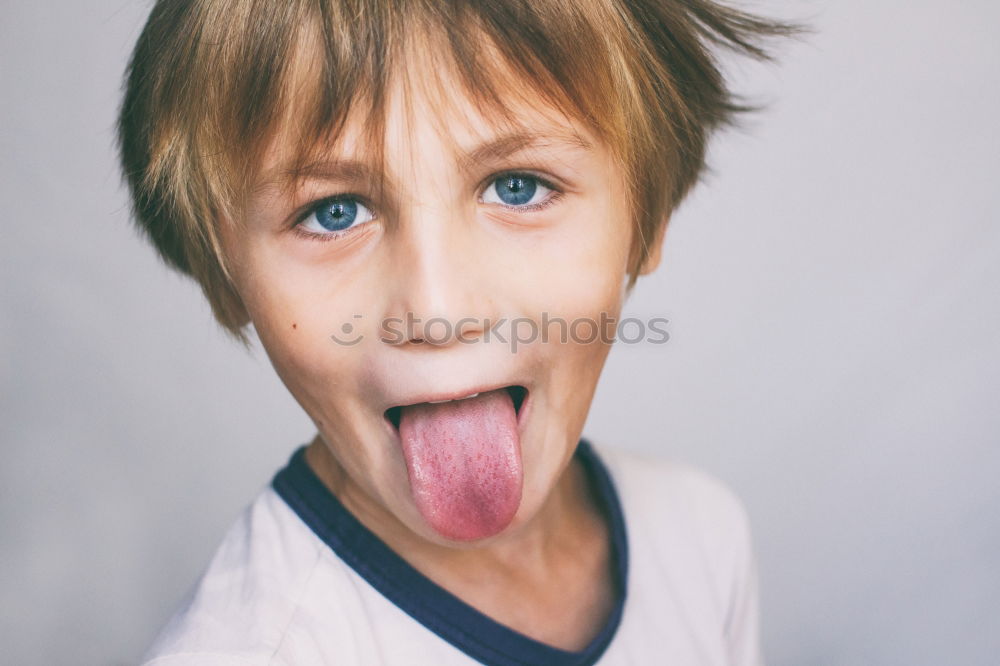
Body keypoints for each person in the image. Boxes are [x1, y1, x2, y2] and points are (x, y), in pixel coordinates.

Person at [119, 1, 793, 663]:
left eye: (518, 187)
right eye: (334, 211)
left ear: (647, 216)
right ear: (225, 273)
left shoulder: (701, 535)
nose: (437, 313)